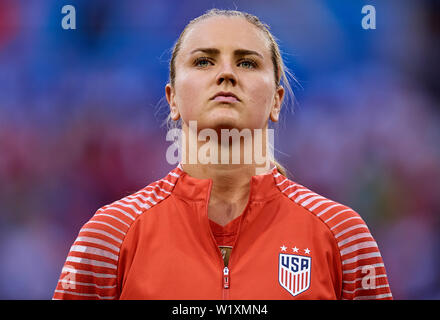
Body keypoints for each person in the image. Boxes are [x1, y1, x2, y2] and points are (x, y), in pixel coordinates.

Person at [53, 8, 392, 300]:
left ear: (276, 100)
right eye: (203, 61)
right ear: (173, 99)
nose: (226, 74)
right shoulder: (109, 235)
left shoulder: (343, 235)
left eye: (246, 62)